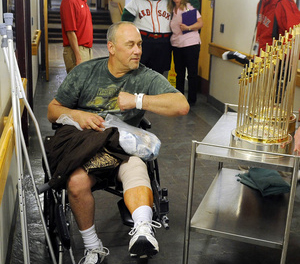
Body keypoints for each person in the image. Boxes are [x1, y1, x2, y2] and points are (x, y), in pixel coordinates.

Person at [47, 21, 190, 264]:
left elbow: (182, 106)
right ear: (112, 48)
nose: (138, 51)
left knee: (136, 167)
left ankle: (143, 231)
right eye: (130, 45)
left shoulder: (144, 76)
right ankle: (93, 247)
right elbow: (52, 110)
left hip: (122, 145)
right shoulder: (85, 72)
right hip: (86, 144)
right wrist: (78, 115)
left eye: (139, 45)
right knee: (76, 182)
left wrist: (138, 101)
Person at [121, 0, 200, 75]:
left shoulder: (169, 2)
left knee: (161, 72)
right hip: (144, 41)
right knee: (139, 69)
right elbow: (125, 21)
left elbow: (193, 4)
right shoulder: (136, 2)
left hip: (164, 42)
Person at [168, 0, 203, 105]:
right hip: (176, 44)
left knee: (191, 73)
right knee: (179, 73)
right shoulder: (170, 10)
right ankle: (180, 98)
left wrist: (188, 27)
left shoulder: (188, 7)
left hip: (190, 43)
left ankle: (192, 100)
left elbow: (200, 23)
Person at [60, 0, 94, 73]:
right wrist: (78, 57)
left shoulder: (83, 2)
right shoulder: (69, 2)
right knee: (78, 83)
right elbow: (70, 31)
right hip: (77, 51)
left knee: (86, 82)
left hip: (86, 50)